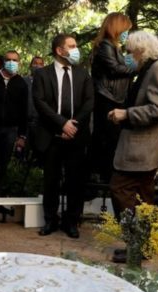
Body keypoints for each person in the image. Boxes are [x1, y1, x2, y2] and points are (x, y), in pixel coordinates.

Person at [107, 31, 158, 261]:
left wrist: (126, 114)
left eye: (129, 51)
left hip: (143, 148)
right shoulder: (153, 69)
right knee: (142, 199)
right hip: (144, 147)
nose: (127, 56)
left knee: (121, 189)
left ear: (141, 50)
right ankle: (139, 247)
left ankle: (137, 246)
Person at [33, 33, 94, 238]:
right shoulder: (42, 74)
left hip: (76, 135)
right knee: (51, 181)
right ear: (59, 50)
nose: (76, 50)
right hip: (51, 135)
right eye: (72, 46)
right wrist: (62, 124)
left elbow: (89, 102)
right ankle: (50, 221)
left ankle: (71, 222)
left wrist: (72, 125)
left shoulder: (83, 74)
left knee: (75, 181)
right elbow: (40, 102)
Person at [90, 12, 134, 183]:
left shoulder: (115, 47)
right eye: (125, 29)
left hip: (114, 98)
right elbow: (115, 69)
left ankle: (106, 175)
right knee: (106, 139)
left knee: (111, 140)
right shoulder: (105, 45)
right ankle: (101, 176)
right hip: (106, 98)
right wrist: (137, 67)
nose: (127, 33)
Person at [0, 50, 28, 195]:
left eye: (15, 60)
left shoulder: (21, 83)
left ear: (19, 63)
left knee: (2, 163)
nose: (11, 63)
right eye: (9, 60)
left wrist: (22, 135)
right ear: (4, 61)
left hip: (11, 130)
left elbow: (24, 110)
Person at [24, 56, 45, 161]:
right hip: (24, 121)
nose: (37, 66)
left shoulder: (46, 83)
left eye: (40, 64)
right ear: (30, 65)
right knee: (22, 149)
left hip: (39, 121)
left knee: (37, 150)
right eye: (35, 63)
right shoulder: (24, 81)